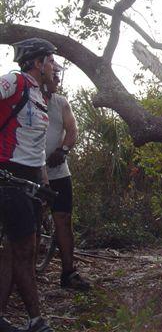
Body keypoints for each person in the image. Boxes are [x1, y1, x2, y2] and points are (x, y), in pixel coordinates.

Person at [0, 38, 58, 332]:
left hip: (31, 180)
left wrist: (44, 184)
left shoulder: (38, 95)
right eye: (50, 61)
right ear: (37, 63)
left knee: (15, 250)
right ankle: (36, 321)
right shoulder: (14, 82)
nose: (54, 66)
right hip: (9, 177)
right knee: (25, 250)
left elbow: (35, 150)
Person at [43, 64, 90, 291]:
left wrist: (63, 150)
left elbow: (72, 130)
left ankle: (68, 273)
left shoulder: (61, 102)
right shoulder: (26, 98)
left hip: (59, 173)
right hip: (31, 171)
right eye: (55, 75)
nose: (58, 80)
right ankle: (23, 275)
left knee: (63, 220)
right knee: (29, 227)